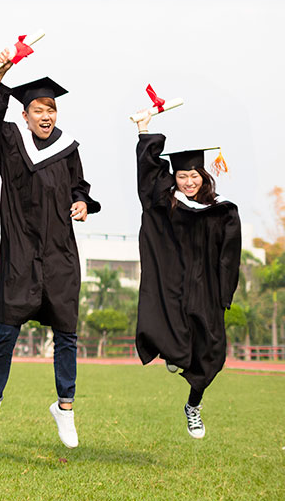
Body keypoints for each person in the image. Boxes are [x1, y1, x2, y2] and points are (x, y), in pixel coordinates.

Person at [0, 50, 101, 449]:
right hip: (20, 253)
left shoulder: (68, 149)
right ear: (24, 114)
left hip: (60, 253)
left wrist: (81, 202)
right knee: (6, 331)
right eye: (38, 109)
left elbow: (79, 185)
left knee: (66, 333)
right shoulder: (9, 142)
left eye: (52, 109)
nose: (46, 116)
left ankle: (65, 407)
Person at [132, 114, 240, 439]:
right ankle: (173, 354)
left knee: (212, 354)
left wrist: (224, 294)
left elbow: (229, 255)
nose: (188, 182)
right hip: (173, 284)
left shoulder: (222, 211)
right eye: (182, 175)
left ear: (203, 176)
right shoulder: (167, 203)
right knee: (173, 335)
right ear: (175, 177)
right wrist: (144, 129)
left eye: (193, 175)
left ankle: (193, 406)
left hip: (207, 290)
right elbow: (149, 176)